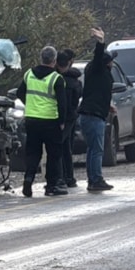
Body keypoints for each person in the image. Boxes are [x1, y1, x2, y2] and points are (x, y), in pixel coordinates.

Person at [16, 46, 68, 197]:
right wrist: (62, 121)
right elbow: (62, 103)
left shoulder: (29, 74)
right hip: (51, 121)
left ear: (41, 58)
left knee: (33, 152)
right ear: (54, 60)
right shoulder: (57, 78)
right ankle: (51, 186)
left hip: (32, 119)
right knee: (53, 154)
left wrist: (31, 105)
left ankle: (28, 179)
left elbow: (20, 92)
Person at [77, 27, 116, 191]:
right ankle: (96, 179)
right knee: (97, 150)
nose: (112, 63)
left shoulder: (96, 74)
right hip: (93, 116)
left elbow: (99, 93)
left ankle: (93, 179)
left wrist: (108, 106)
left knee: (93, 149)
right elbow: (97, 57)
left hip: (92, 113)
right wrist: (100, 42)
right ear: (106, 63)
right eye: (111, 60)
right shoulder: (97, 69)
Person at [56, 49, 82, 188]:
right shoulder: (75, 80)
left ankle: (61, 177)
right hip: (71, 117)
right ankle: (69, 177)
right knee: (66, 148)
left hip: (62, 118)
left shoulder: (58, 80)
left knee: (60, 147)